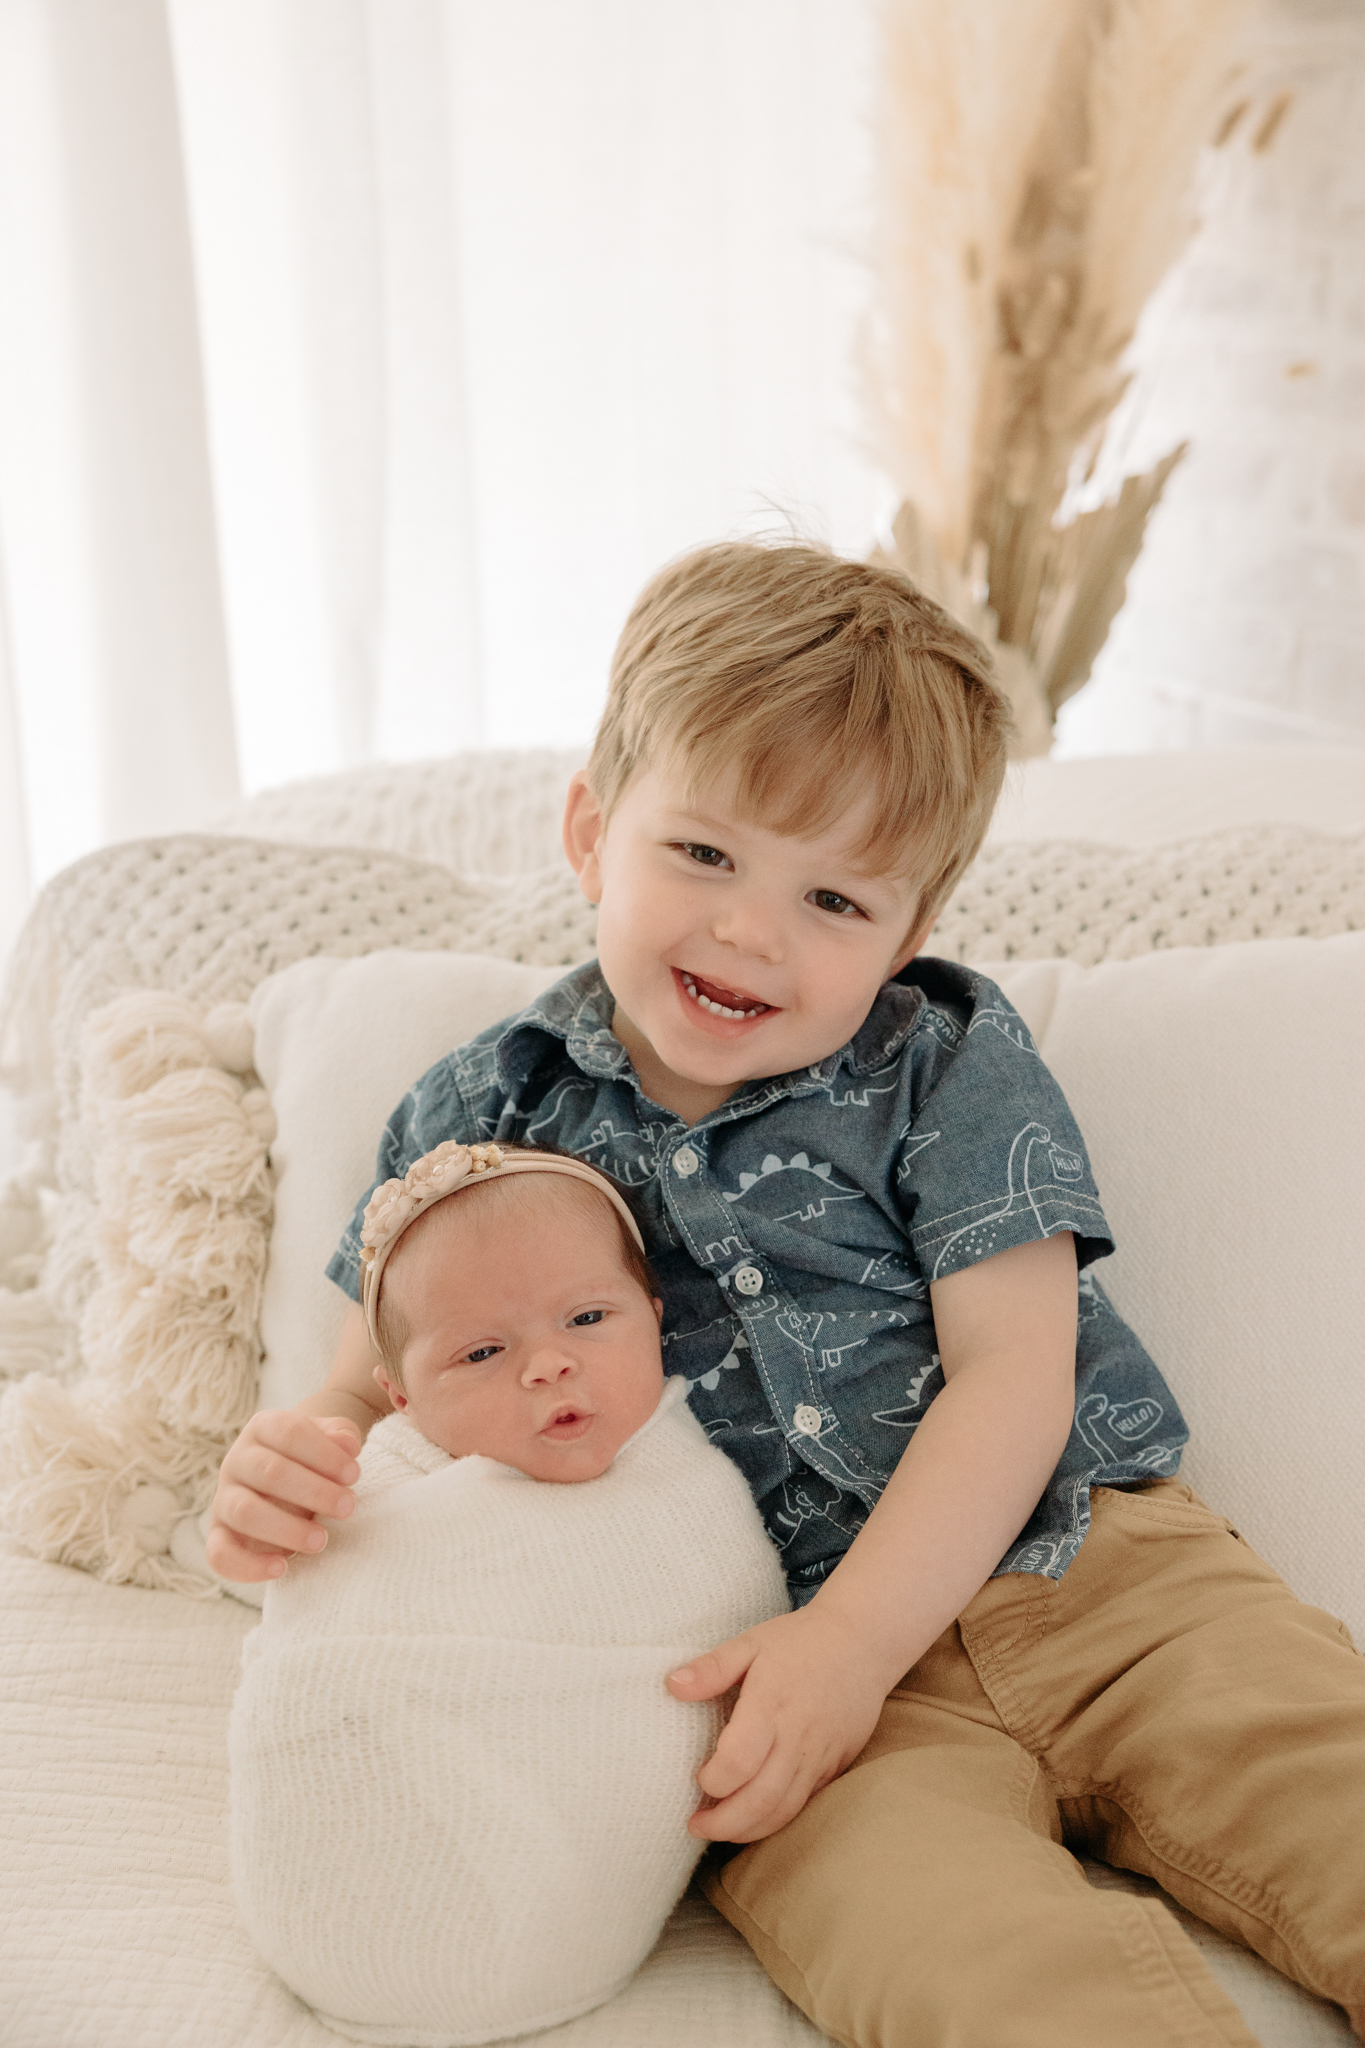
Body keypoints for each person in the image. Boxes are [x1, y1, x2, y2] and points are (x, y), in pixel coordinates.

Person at [210, 540, 1365, 2046]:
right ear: (590, 831)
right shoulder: (485, 1113)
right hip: (786, 1687)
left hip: (1108, 1581)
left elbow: (1019, 1372)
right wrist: (291, 1475)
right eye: (702, 856)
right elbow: (390, 1384)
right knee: (971, 1973)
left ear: (910, 927)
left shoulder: (941, 1058)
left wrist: (853, 1646)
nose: (751, 930)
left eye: (832, 897)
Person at [229, 1140, 788, 2046]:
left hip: (567, 1901)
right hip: (357, 1868)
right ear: (399, 1399)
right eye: (482, 1351)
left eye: (588, 1318)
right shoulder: (377, 1486)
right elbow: (313, 1651)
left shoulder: (690, 1492)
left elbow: (734, 1634)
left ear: (654, 1318)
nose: (546, 1366)